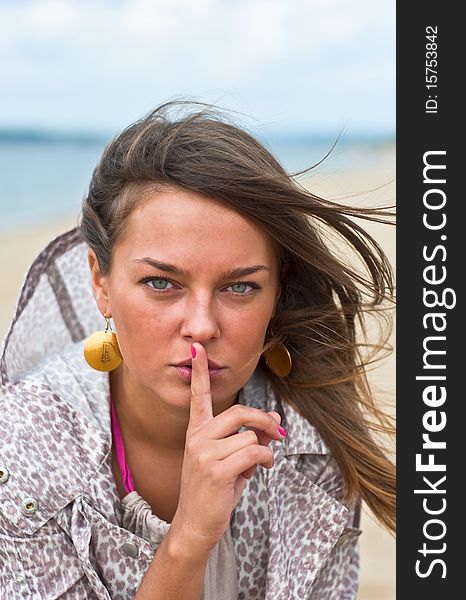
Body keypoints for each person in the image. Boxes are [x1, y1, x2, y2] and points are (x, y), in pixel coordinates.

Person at [0, 100, 395, 599]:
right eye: (161, 283)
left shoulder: (310, 447)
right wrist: (188, 539)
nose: (202, 326)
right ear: (101, 282)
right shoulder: (21, 446)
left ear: (277, 292)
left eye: (240, 287)